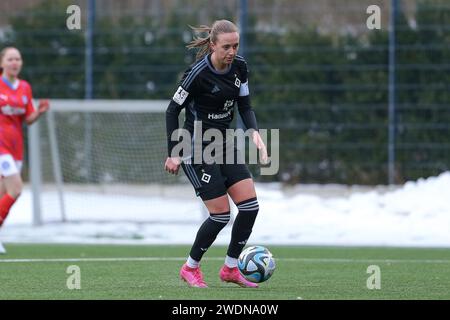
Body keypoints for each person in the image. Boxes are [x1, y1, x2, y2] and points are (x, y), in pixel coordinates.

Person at [165, 20, 268, 288]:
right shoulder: (197, 74)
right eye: (226, 46)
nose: (232, 51)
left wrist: (254, 132)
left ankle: (231, 269)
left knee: (249, 207)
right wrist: (174, 153)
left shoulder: (240, 67)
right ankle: (190, 268)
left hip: (224, 144)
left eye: (235, 45)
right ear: (213, 45)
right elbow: (172, 111)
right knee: (221, 215)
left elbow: (245, 104)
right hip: (196, 149)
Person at [0, 47, 49, 254]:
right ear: (2, 63)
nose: (14, 62)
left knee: (3, 194)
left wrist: (38, 112)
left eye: (18, 59)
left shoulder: (25, 87)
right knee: (17, 189)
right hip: (1, 145)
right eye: (10, 59)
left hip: (16, 146)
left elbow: (27, 119)